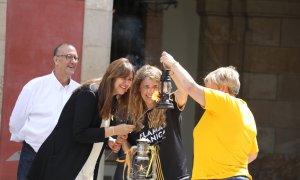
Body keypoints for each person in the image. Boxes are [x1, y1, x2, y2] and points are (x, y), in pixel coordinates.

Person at [26, 58, 136, 180]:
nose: (126, 83)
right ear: (112, 76)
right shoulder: (89, 94)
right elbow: (80, 133)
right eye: (123, 78)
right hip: (64, 165)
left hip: (85, 168)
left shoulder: (112, 99)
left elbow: (96, 129)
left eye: (130, 79)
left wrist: (109, 140)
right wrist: (115, 130)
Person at [160, 51, 259, 180]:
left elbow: (191, 87)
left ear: (223, 89)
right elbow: (253, 153)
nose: (205, 92)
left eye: (209, 89)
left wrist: (173, 64)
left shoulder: (226, 102)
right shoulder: (244, 111)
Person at [9, 43, 81, 180]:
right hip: (33, 154)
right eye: (69, 57)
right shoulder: (34, 86)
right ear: (56, 59)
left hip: (62, 158)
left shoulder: (79, 91)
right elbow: (16, 121)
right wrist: (30, 140)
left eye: (76, 58)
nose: (73, 61)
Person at [114, 65, 190, 180]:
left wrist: (172, 69)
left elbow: (185, 90)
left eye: (155, 86)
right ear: (138, 88)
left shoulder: (170, 103)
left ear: (161, 87)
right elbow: (131, 154)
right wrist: (123, 140)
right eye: (146, 86)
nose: (151, 90)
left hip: (176, 175)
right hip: (148, 177)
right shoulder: (132, 117)